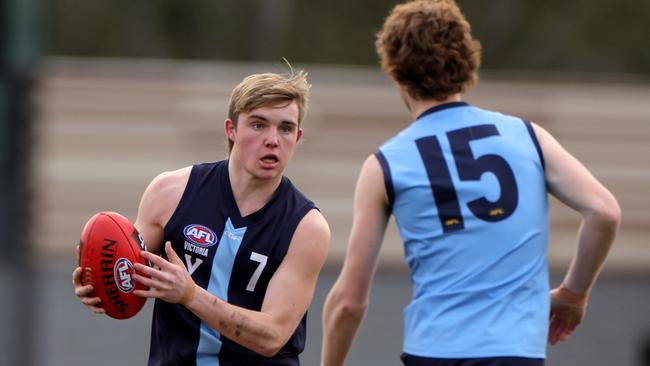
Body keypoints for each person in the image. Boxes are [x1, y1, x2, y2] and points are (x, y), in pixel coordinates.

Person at [321, 1, 621, 365]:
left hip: (434, 352)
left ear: (395, 71)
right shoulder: (527, 136)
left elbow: (349, 302)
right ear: (465, 60)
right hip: (516, 354)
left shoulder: (385, 164)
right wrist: (574, 295)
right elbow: (604, 212)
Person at [72, 69, 330, 365]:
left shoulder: (306, 227)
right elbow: (131, 272)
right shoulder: (169, 193)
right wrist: (100, 282)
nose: (272, 139)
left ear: (297, 137)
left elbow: (272, 336)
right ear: (231, 129)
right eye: (258, 125)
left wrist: (190, 294)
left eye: (285, 128)